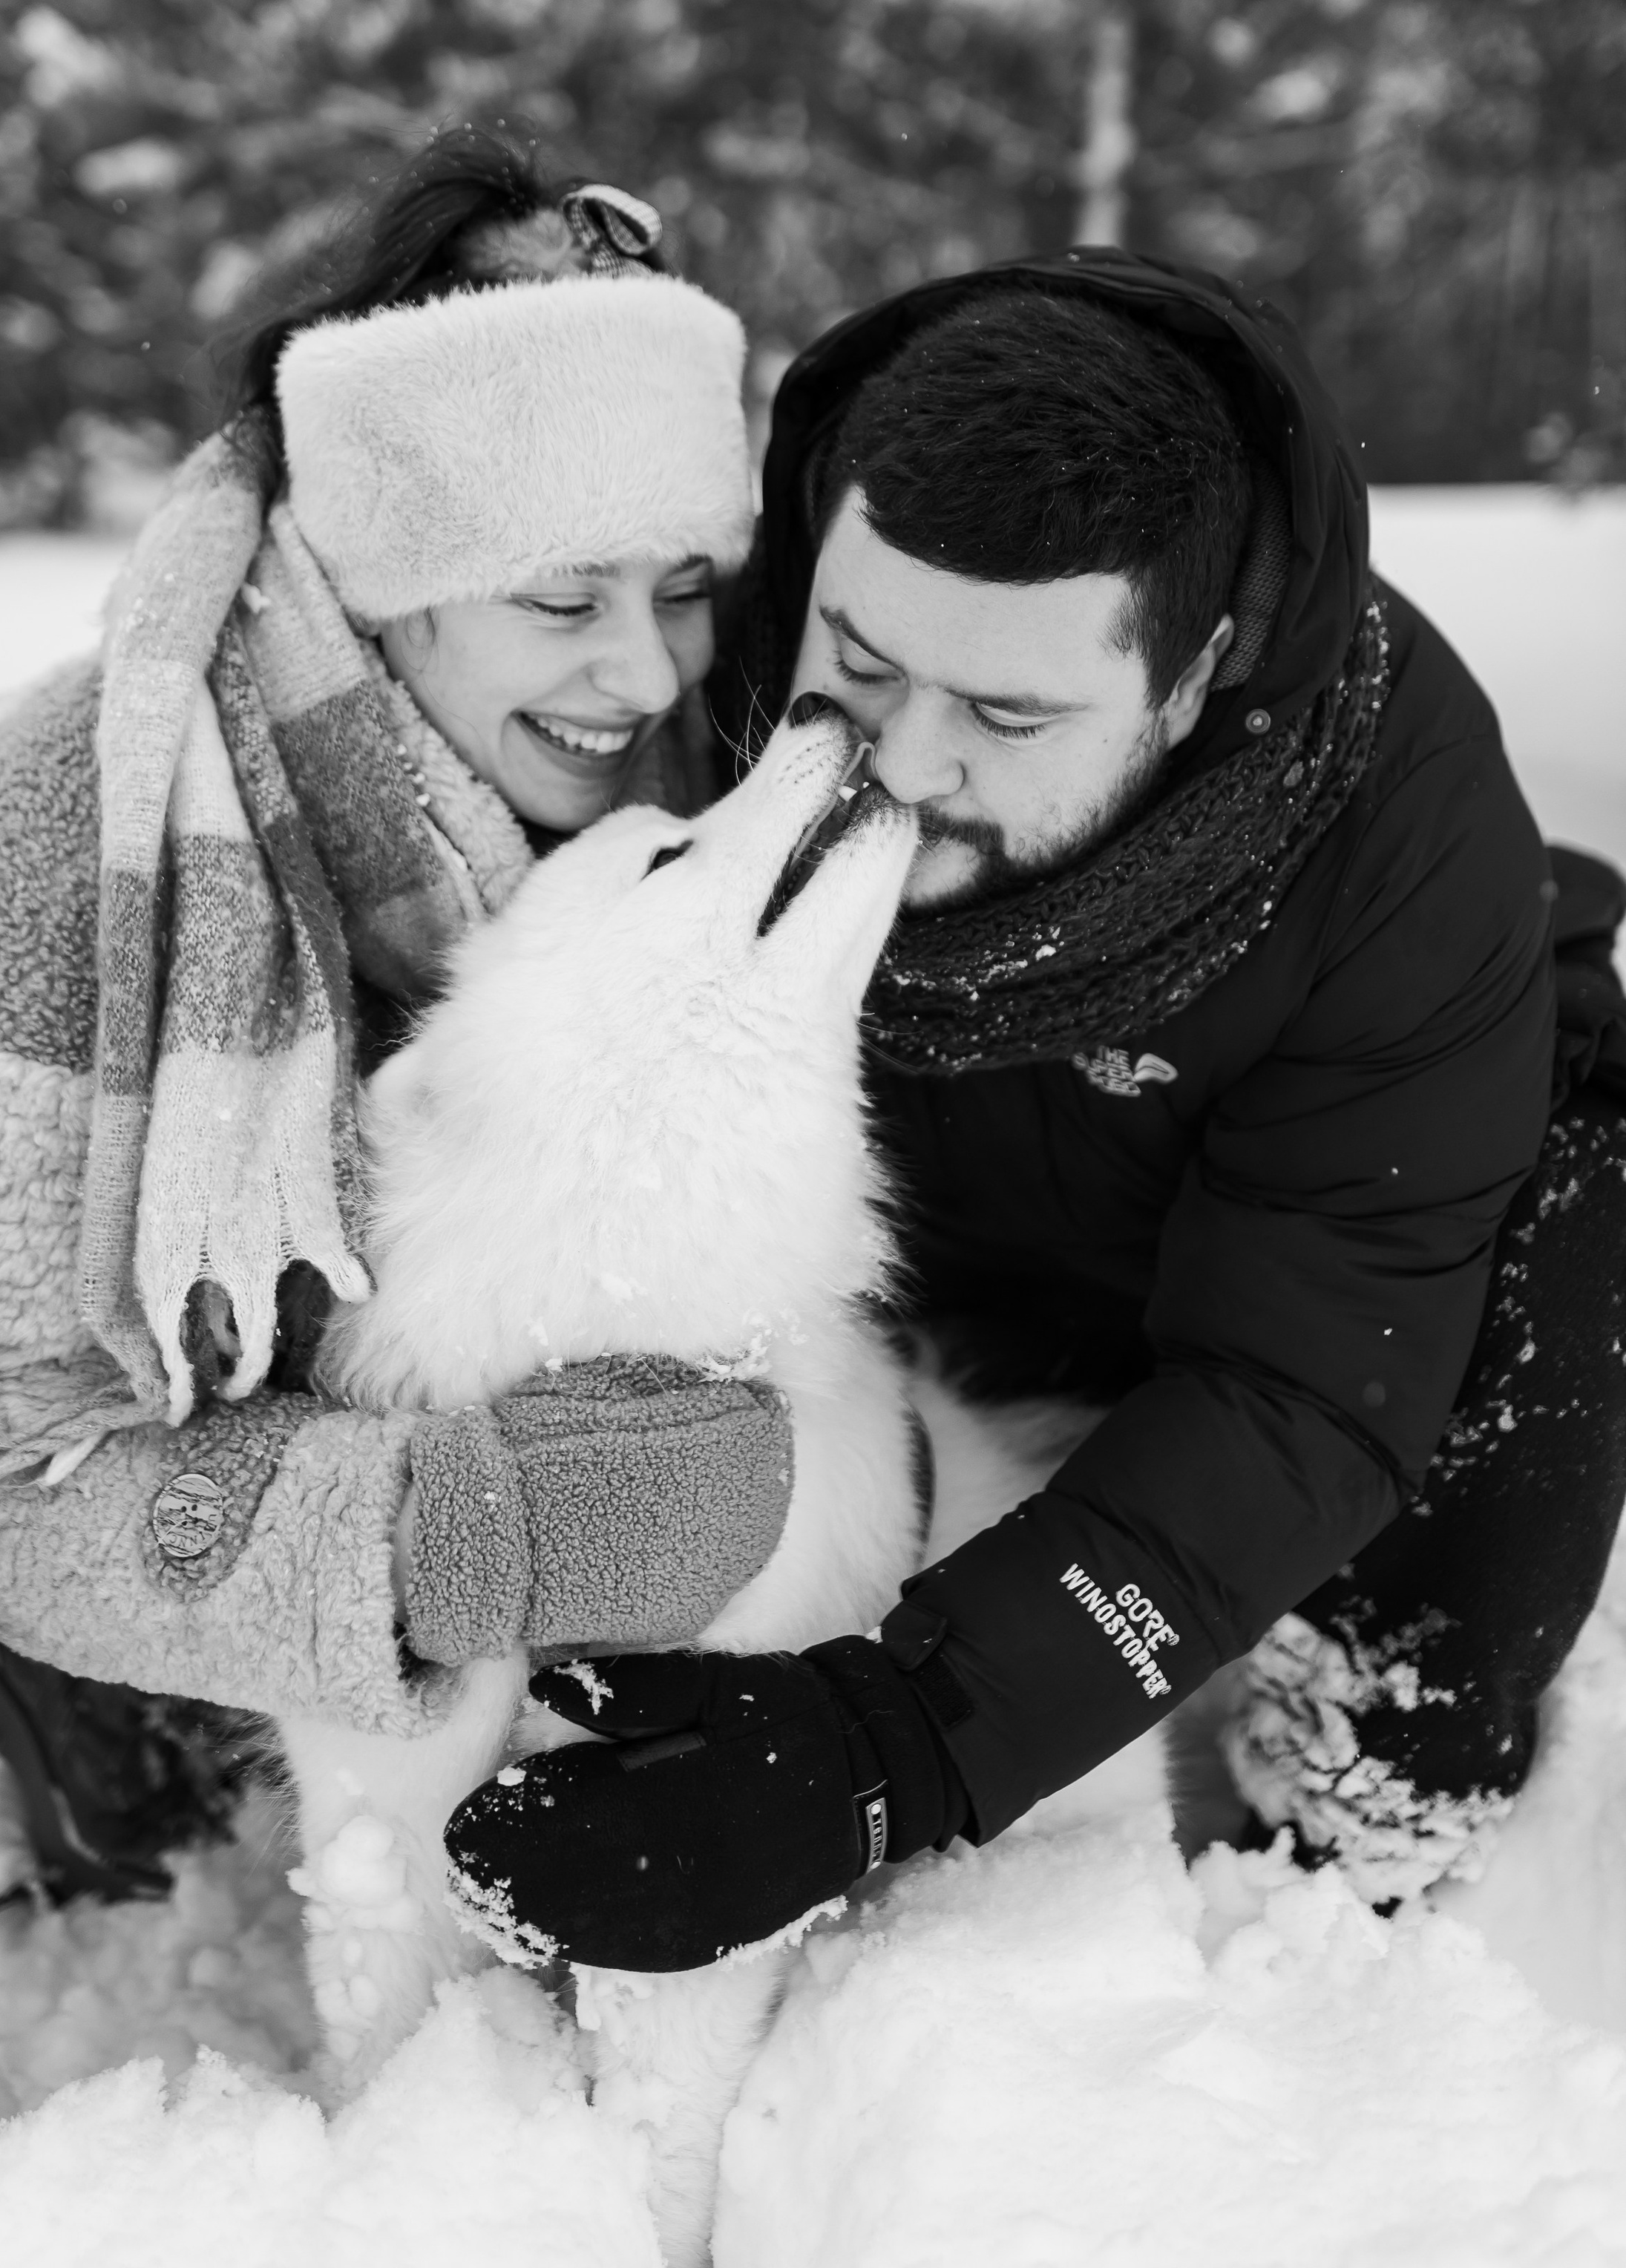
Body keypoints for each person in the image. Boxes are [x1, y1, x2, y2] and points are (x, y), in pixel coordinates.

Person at [0, 126, 796, 2176]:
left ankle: (133, 1729)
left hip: (186, 1349)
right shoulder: (72, 831)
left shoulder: (609, 761)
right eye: (560, 597)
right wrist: (462, 1537)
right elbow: (42, 1465)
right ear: (381, 581)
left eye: (680, 590)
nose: (643, 668)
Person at [445, 247, 1626, 1978]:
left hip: (1295, 1265)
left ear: (1195, 672)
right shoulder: (703, 652)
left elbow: (1293, 1390)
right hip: (929, 1254)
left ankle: (1336, 1893)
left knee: (1531, 1342)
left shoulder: (1394, 837)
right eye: (857, 659)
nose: (897, 761)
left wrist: (885, 1748)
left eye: (1005, 713)